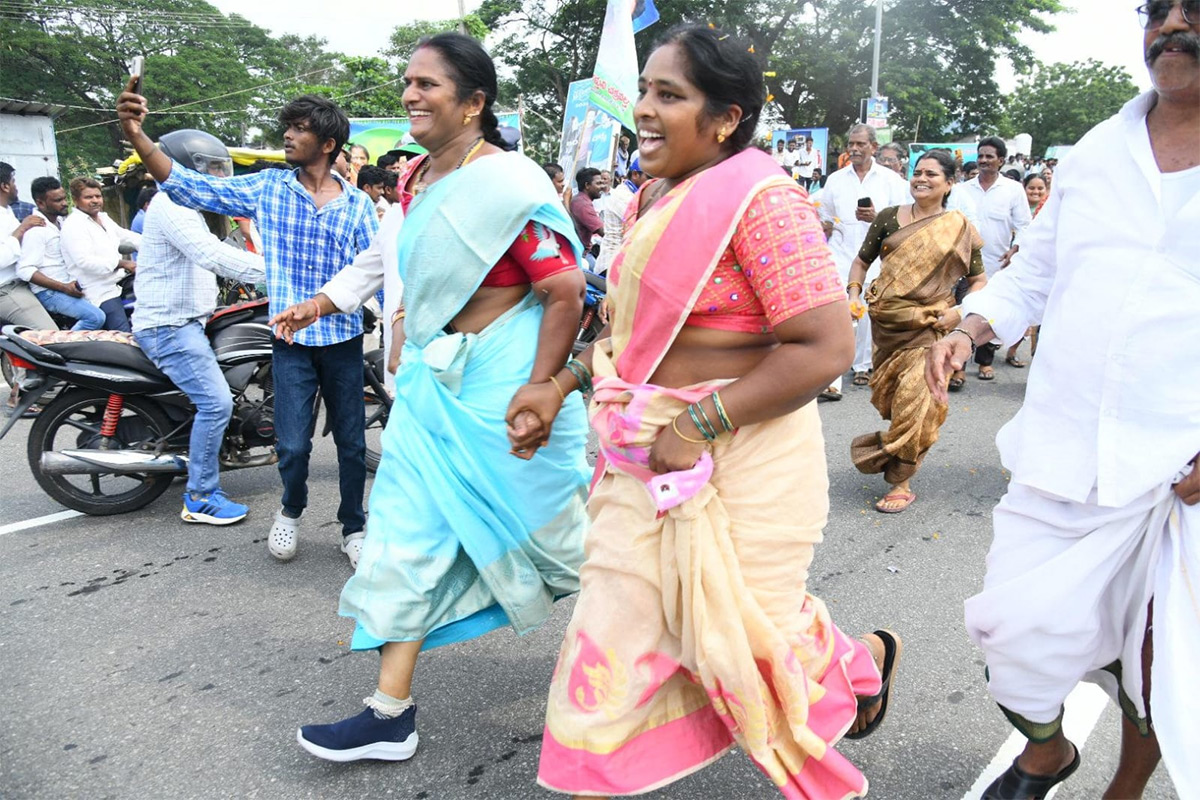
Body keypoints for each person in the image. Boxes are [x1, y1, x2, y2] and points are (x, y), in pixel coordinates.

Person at [526, 24, 901, 800]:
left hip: (745, 458)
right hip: (643, 459)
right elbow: (629, 335)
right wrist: (560, 384)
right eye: (646, 94)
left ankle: (857, 664)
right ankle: (596, 775)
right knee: (611, 647)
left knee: (749, 636)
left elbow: (826, 347)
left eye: (671, 96)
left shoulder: (764, 202)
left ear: (725, 117)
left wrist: (696, 426)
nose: (647, 113)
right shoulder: (653, 197)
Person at [268, 32, 590, 765]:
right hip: (429, 389)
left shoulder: (510, 182)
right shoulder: (414, 177)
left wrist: (542, 386)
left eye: (429, 85)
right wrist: (321, 304)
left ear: (475, 102)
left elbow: (564, 289)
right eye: (408, 81)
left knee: (568, 545)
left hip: (505, 389)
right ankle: (388, 712)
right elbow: (386, 261)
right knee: (400, 540)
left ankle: (669, 649)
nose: (410, 94)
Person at [926, 3, 1200, 796]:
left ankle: (1126, 787)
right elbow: (1035, 272)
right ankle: (1047, 750)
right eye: (1158, 8)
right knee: (1009, 636)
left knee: (1161, 667)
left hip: (1176, 471)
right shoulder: (1093, 153)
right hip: (1062, 448)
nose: (1173, 22)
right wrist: (971, 326)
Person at [117, 89, 379, 566]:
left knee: (352, 443)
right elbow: (190, 186)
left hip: (342, 340)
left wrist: (397, 319)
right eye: (290, 126)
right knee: (294, 445)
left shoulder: (359, 205)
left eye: (300, 129)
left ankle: (352, 525)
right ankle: (290, 511)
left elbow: (374, 268)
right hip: (290, 341)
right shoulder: (269, 187)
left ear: (328, 143)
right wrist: (137, 135)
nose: (288, 135)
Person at [131, 129, 267, 525]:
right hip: (169, 327)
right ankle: (201, 496)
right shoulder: (172, 204)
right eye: (211, 169)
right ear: (186, 168)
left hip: (187, 320)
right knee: (216, 402)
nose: (219, 179)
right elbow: (211, 254)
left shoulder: (186, 206)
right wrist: (280, 275)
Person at [848, 149, 986, 513]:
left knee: (918, 400)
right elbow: (862, 262)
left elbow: (980, 280)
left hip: (931, 328)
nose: (921, 179)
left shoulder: (959, 228)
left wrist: (959, 314)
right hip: (887, 327)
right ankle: (893, 449)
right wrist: (853, 293)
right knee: (897, 401)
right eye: (917, 173)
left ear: (949, 183)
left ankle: (899, 480)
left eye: (932, 174)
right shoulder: (889, 219)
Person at [816, 123, 911, 396]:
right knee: (837, 311)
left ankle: (862, 365)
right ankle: (833, 377)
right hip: (841, 253)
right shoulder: (835, 180)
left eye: (860, 144)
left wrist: (877, 217)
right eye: (851, 144)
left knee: (866, 311)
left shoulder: (892, 181)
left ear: (874, 147)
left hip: (876, 257)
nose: (854, 149)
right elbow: (827, 218)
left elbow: (905, 218)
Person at [958, 135, 1032, 379]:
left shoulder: (1012, 190)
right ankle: (959, 367)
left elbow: (1024, 225)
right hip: (963, 263)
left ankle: (985, 362)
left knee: (991, 312)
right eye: (980, 156)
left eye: (989, 156)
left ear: (1001, 160)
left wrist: (1015, 249)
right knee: (964, 309)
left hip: (997, 262)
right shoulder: (962, 190)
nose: (983, 160)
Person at [16, 177, 105, 331]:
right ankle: (64, 347)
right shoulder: (37, 231)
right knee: (95, 317)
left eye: (64, 198)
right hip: (50, 292)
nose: (64, 203)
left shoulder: (62, 223)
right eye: (58, 200)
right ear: (41, 203)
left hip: (70, 285)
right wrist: (63, 287)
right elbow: (25, 270)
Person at [59, 177, 140, 332]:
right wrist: (121, 263)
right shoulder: (74, 225)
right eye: (88, 197)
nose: (95, 200)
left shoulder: (103, 218)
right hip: (99, 290)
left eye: (98, 196)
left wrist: (157, 244)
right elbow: (84, 261)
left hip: (117, 282)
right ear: (76, 200)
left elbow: (127, 236)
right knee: (123, 336)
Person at [0, 162, 53, 330]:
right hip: (7, 289)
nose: (16, 187)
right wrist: (22, 229)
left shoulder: (7, 211)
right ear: (5, 186)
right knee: (49, 336)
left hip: (23, 283)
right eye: (14, 181)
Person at [596, 156, 646, 275]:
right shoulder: (624, 197)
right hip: (611, 265)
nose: (654, 183)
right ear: (635, 175)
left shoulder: (634, 194)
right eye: (650, 178)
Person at [570, 167, 604, 265]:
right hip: (581, 255)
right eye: (598, 183)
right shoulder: (583, 204)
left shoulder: (580, 200)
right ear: (587, 185)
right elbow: (603, 231)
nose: (602, 187)